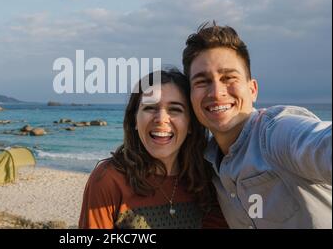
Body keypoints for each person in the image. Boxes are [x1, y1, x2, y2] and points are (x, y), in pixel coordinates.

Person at [182, 22, 332, 229]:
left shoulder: (277, 133)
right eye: (202, 81)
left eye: (229, 78)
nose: (216, 92)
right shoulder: (207, 163)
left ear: (252, 90)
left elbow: (320, 143)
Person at [79, 69, 228, 229]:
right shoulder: (108, 180)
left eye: (175, 109)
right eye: (150, 108)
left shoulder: (207, 179)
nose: (161, 119)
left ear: (190, 123)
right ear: (134, 119)